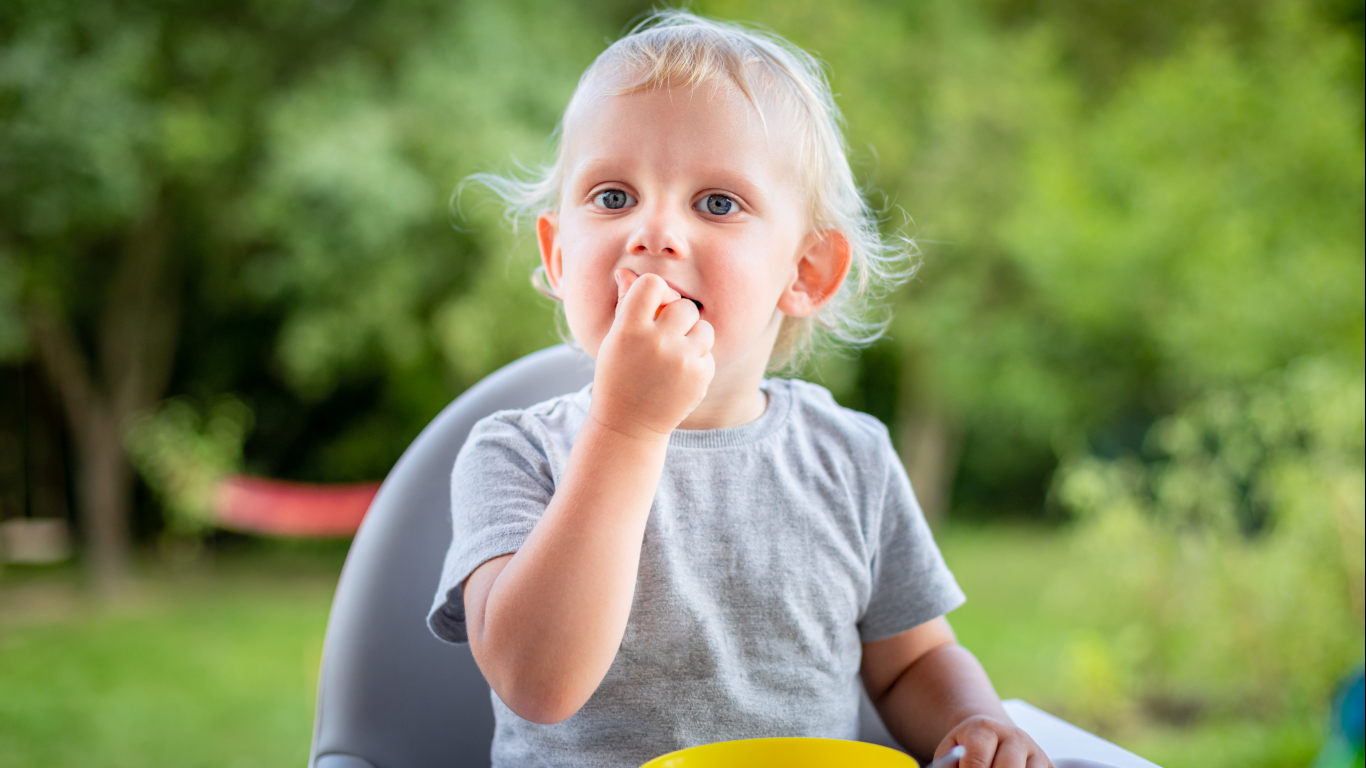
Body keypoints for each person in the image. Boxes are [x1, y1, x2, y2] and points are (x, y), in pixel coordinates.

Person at [428, 10, 1052, 768]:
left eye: (717, 203)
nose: (653, 233)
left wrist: (973, 723)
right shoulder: (515, 455)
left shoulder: (850, 458)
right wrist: (628, 429)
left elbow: (913, 660)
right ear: (559, 258)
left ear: (806, 272)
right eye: (613, 196)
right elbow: (537, 681)